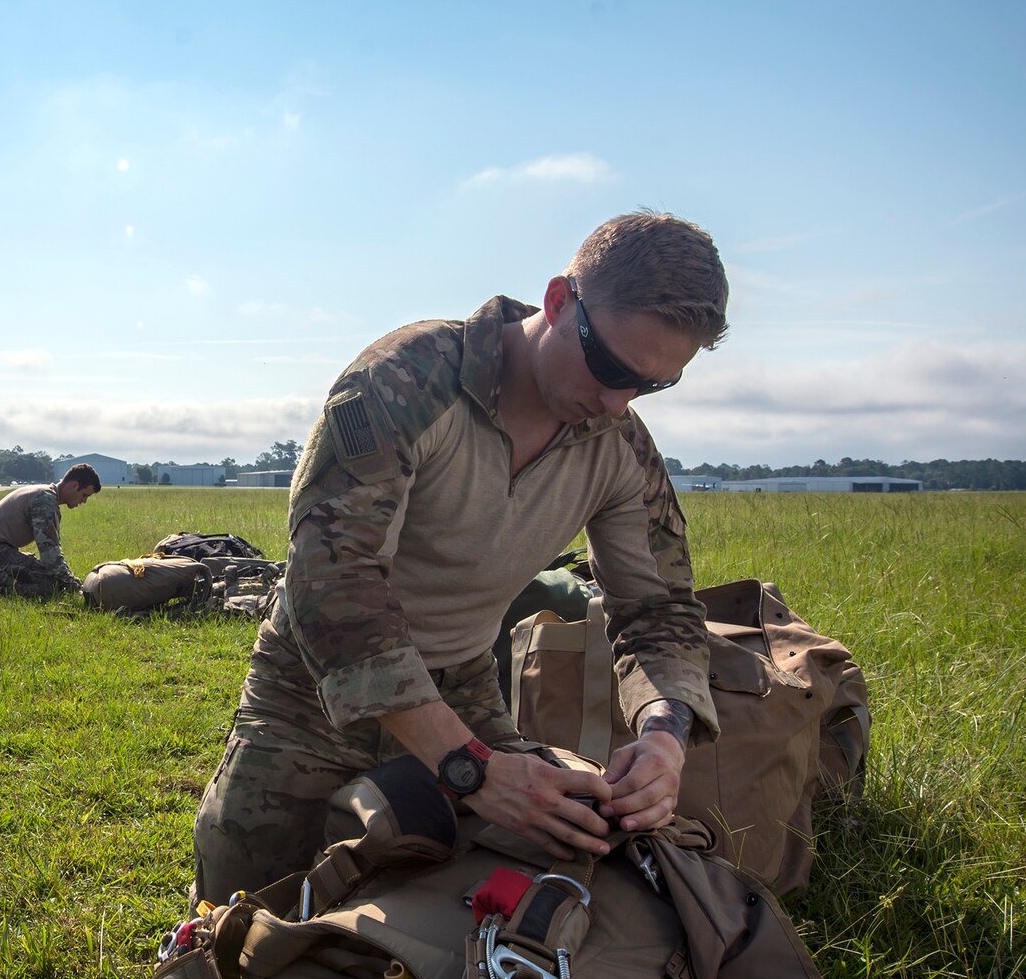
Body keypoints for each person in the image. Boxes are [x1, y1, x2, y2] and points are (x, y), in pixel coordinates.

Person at [193, 212, 728, 903]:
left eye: (653, 384)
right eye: (610, 366)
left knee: (521, 874)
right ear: (560, 300)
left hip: (464, 682)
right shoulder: (404, 382)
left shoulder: (620, 446)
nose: (616, 401)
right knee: (242, 899)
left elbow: (659, 608)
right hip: (312, 686)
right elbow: (333, 578)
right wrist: (472, 768)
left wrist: (664, 735)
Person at [0, 463, 102, 598]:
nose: (84, 501)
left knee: (48, 575)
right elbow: (50, 556)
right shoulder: (45, 500)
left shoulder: (45, 493)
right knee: (52, 584)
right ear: (74, 485)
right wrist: (74, 586)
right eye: (84, 495)